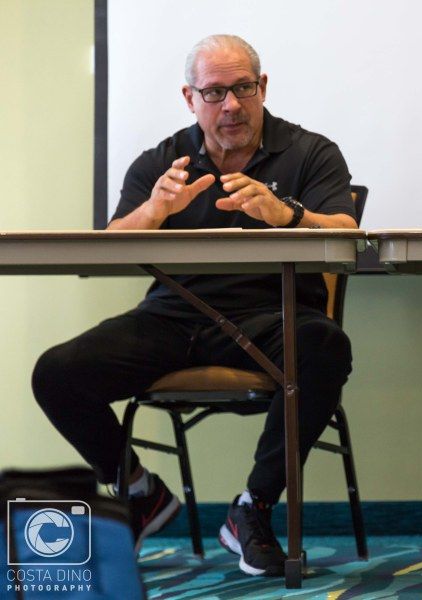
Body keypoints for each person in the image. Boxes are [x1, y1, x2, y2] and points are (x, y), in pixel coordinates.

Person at [32, 34, 357, 578]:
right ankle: (139, 491)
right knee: (57, 372)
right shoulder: (163, 161)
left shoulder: (311, 152)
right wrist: (154, 211)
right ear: (190, 98)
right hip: (173, 318)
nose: (231, 104)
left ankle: (252, 508)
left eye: (243, 88)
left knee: (326, 346)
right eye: (213, 92)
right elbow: (108, 245)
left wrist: (288, 215)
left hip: (272, 315)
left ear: (263, 87)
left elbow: (347, 232)